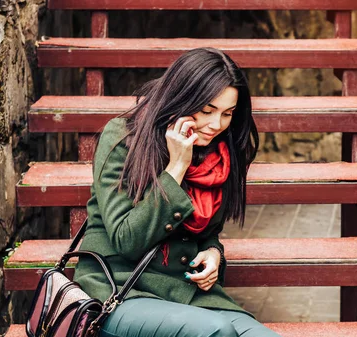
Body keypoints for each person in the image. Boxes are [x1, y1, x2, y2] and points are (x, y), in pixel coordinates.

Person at [73, 47, 281, 337]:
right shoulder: (122, 138)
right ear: (182, 98)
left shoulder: (219, 154)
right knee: (215, 331)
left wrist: (213, 253)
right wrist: (177, 166)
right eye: (207, 111)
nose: (215, 125)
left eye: (227, 113)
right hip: (120, 291)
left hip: (186, 294)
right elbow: (127, 239)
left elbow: (207, 233)